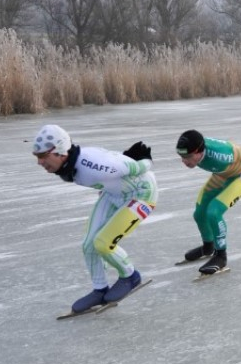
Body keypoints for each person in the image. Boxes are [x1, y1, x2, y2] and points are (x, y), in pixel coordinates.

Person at [32, 124, 157, 314]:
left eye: (42, 156)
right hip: (113, 194)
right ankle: (100, 289)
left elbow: (136, 166)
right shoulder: (70, 163)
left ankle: (130, 275)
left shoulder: (92, 164)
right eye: (37, 156)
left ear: (58, 151)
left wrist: (145, 160)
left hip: (141, 194)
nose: (40, 162)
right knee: (89, 245)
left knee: (103, 243)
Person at [176, 130, 241, 275]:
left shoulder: (221, 155)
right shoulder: (197, 149)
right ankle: (208, 247)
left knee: (213, 212)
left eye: (187, 157)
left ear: (199, 152)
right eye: (181, 156)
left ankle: (221, 256)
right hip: (222, 175)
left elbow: (240, 151)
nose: (184, 161)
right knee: (199, 213)